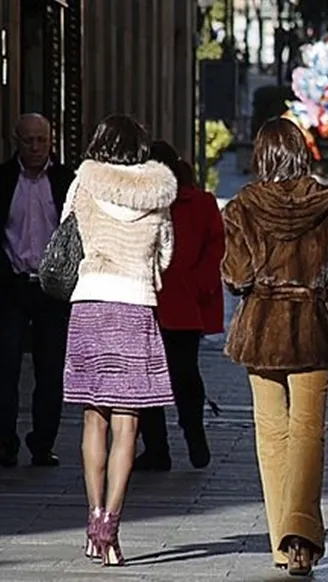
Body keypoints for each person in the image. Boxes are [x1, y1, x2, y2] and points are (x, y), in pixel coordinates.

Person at [222, 118, 328, 575]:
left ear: (261, 156)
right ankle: (303, 537)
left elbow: (238, 276)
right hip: (314, 329)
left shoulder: (242, 207)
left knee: (271, 436)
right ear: (301, 154)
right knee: (309, 433)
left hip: (262, 330)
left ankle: (279, 542)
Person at [61, 114, 178, 565]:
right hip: (135, 305)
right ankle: (111, 526)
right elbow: (164, 255)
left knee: (94, 420)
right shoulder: (157, 194)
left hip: (89, 303)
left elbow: (70, 235)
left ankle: (92, 522)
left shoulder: (82, 184)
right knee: (128, 425)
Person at [135, 146, 224, 472]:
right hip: (146, 300)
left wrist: (200, 283)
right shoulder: (140, 202)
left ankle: (193, 431)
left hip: (184, 303)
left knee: (184, 374)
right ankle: (156, 448)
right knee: (146, 379)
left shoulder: (199, 203)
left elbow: (216, 246)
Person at [0, 113, 75, 468]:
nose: (34, 147)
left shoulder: (65, 181)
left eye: (41, 141)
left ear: (51, 141)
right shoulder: (3, 180)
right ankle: (4, 443)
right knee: (5, 367)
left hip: (51, 289)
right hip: (11, 286)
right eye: (28, 140)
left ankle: (42, 444)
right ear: (16, 140)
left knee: (50, 370)